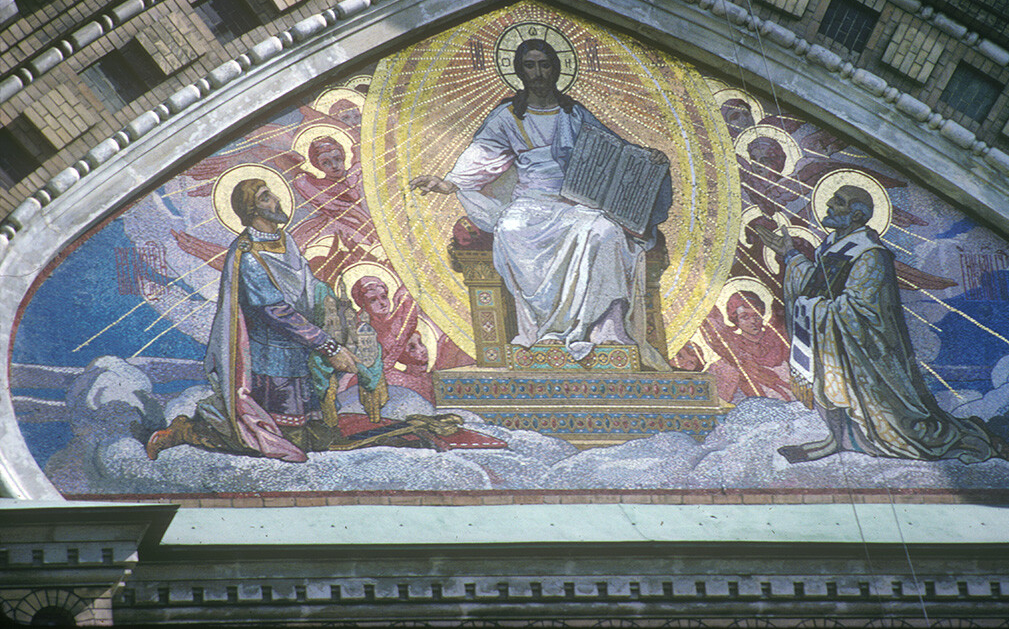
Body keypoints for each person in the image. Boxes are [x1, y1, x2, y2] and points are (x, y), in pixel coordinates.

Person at [410, 39, 672, 367]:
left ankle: (606, 330)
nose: (538, 72)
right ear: (520, 71)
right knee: (511, 228)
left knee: (605, 231)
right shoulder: (507, 117)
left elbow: (612, 152)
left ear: (556, 69)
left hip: (576, 202)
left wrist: (649, 160)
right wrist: (448, 182)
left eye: (544, 64)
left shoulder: (574, 114)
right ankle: (543, 332)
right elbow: (482, 156)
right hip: (531, 203)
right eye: (530, 66)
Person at [759, 184, 1009, 464]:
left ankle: (967, 438)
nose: (829, 204)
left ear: (856, 215)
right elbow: (816, 285)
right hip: (834, 338)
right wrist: (790, 255)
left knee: (903, 432)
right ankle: (839, 438)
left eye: (838, 201)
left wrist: (814, 309)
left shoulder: (870, 255)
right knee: (828, 380)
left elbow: (860, 308)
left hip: (868, 353)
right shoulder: (832, 247)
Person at [145, 178, 385, 463]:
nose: (276, 201)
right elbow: (275, 311)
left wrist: (336, 310)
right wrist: (329, 347)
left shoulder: (286, 241)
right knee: (268, 441)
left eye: (271, 195)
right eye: (265, 197)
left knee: (313, 438)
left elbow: (307, 285)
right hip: (269, 361)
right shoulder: (248, 255)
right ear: (251, 210)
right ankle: (187, 431)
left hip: (300, 351)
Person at [699, 291, 794, 403]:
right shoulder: (731, 350)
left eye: (756, 315)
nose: (753, 321)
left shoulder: (778, 340)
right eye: (745, 317)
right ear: (735, 320)